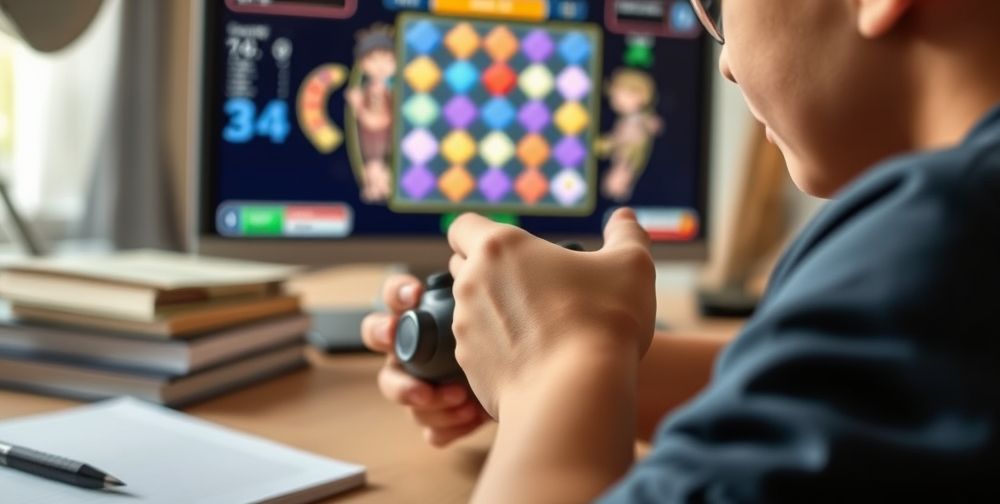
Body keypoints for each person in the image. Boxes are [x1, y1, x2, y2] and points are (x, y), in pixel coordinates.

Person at [361, 0, 1000, 502]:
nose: (723, 64)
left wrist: (550, 377)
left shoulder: (944, 230)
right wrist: (574, 372)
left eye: (714, 8)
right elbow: (861, 392)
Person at [346, 24, 395, 204]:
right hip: (369, 140)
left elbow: (382, 120)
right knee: (372, 167)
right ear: (363, 63)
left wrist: (358, 106)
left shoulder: (390, 92)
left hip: (382, 139)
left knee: (378, 166)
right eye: (373, 59)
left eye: (387, 59)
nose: (380, 65)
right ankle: (375, 189)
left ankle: (382, 189)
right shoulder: (367, 89)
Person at [597, 69, 663, 203]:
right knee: (620, 165)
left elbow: (654, 125)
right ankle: (616, 187)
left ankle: (619, 186)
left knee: (625, 167)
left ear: (641, 94)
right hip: (622, 148)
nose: (615, 100)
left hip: (631, 151)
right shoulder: (623, 120)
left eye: (620, 95)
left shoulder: (641, 118)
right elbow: (617, 136)